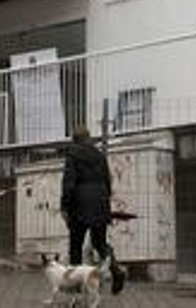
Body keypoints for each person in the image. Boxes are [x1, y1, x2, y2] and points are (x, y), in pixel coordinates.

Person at [60, 125, 126, 294]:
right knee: (100, 243)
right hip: (100, 202)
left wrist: (64, 206)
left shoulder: (72, 155)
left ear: (74, 140)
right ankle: (116, 270)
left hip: (79, 204)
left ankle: (76, 287)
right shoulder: (99, 155)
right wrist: (104, 201)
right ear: (88, 138)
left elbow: (69, 183)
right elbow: (107, 181)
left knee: (76, 246)